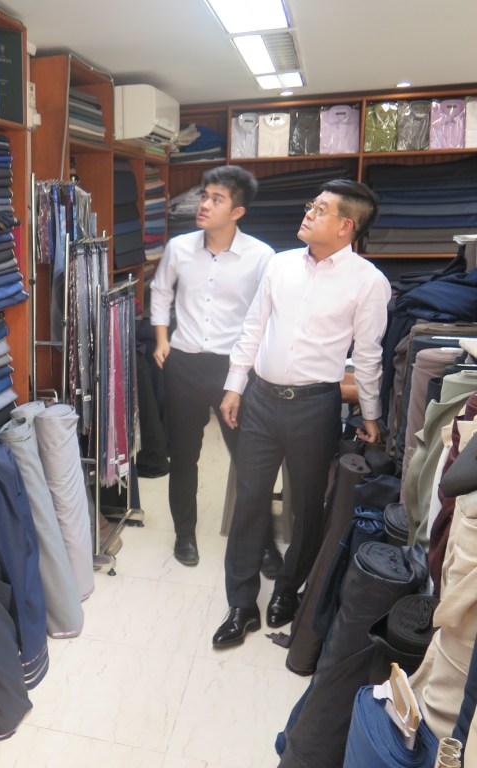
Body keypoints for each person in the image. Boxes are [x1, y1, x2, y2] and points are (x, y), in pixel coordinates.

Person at [212, 179, 391, 648]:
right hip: (260, 400)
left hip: (315, 406)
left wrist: (371, 415)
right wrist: (234, 385)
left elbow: (368, 355)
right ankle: (241, 604)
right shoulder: (280, 264)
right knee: (250, 501)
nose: (309, 212)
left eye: (321, 209)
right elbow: (253, 326)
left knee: (309, 507)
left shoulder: (369, 282)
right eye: (311, 204)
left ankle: (287, 591)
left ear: (346, 226)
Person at [150, 165, 277, 569]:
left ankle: (264, 543)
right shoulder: (179, 247)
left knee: (249, 459)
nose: (203, 205)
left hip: (233, 369)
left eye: (216, 199)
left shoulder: (261, 257)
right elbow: (160, 291)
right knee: (183, 455)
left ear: (237, 211)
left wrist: (250, 367)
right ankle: (184, 534)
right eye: (204, 196)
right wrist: (162, 338)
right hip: (184, 364)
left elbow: (266, 315)